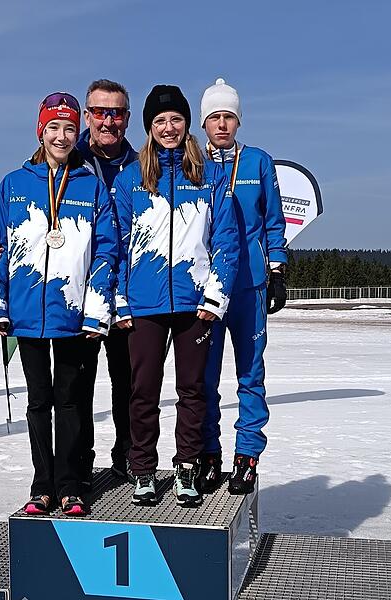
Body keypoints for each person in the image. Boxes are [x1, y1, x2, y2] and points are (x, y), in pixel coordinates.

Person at [0, 79, 138, 485]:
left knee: (112, 391)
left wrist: (98, 308)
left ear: (126, 118)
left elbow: (106, 249)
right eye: (54, 127)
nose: (62, 135)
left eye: (116, 113)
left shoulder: (131, 168)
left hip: (95, 305)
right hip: (33, 311)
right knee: (48, 400)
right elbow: (3, 243)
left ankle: (103, 469)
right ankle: (60, 479)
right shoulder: (18, 183)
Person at [113, 84, 239, 507]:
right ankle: (144, 469)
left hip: (194, 304)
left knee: (192, 389)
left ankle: (187, 467)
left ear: (187, 126)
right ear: (149, 128)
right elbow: (113, 242)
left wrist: (213, 295)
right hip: (144, 305)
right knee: (143, 390)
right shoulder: (131, 178)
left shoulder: (208, 175)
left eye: (176, 120)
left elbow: (226, 239)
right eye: (160, 121)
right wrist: (120, 301)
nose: (168, 127)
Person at [197, 78, 288, 495]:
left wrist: (279, 270)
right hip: (208, 289)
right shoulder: (193, 163)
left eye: (228, 117)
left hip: (250, 285)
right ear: (203, 123)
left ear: (238, 121)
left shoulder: (258, 162)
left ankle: (247, 457)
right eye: (214, 117)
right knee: (205, 377)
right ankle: (210, 455)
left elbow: (273, 221)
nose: (221, 124)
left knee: (251, 374)